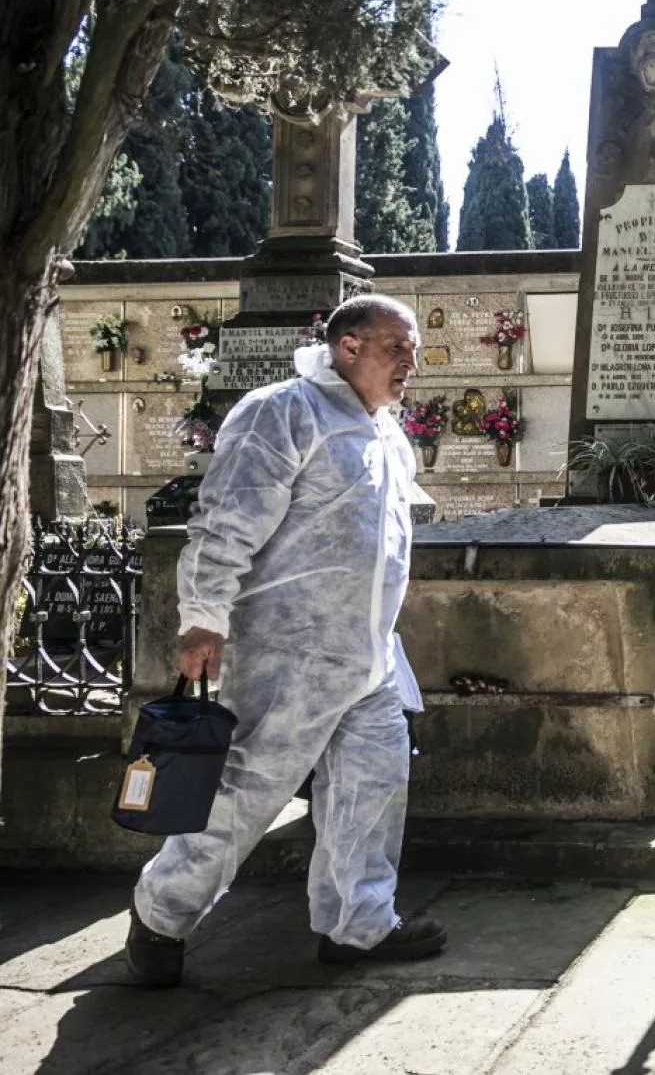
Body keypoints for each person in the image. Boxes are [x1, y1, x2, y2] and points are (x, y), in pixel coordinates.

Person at [126, 295, 445, 987]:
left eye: (413, 350)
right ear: (349, 347)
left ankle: (358, 925)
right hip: (285, 653)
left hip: (370, 656)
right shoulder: (284, 411)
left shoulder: (385, 431)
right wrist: (203, 615)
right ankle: (159, 915)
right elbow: (226, 520)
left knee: (373, 789)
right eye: (398, 348)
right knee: (241, 796)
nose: (411, 364)